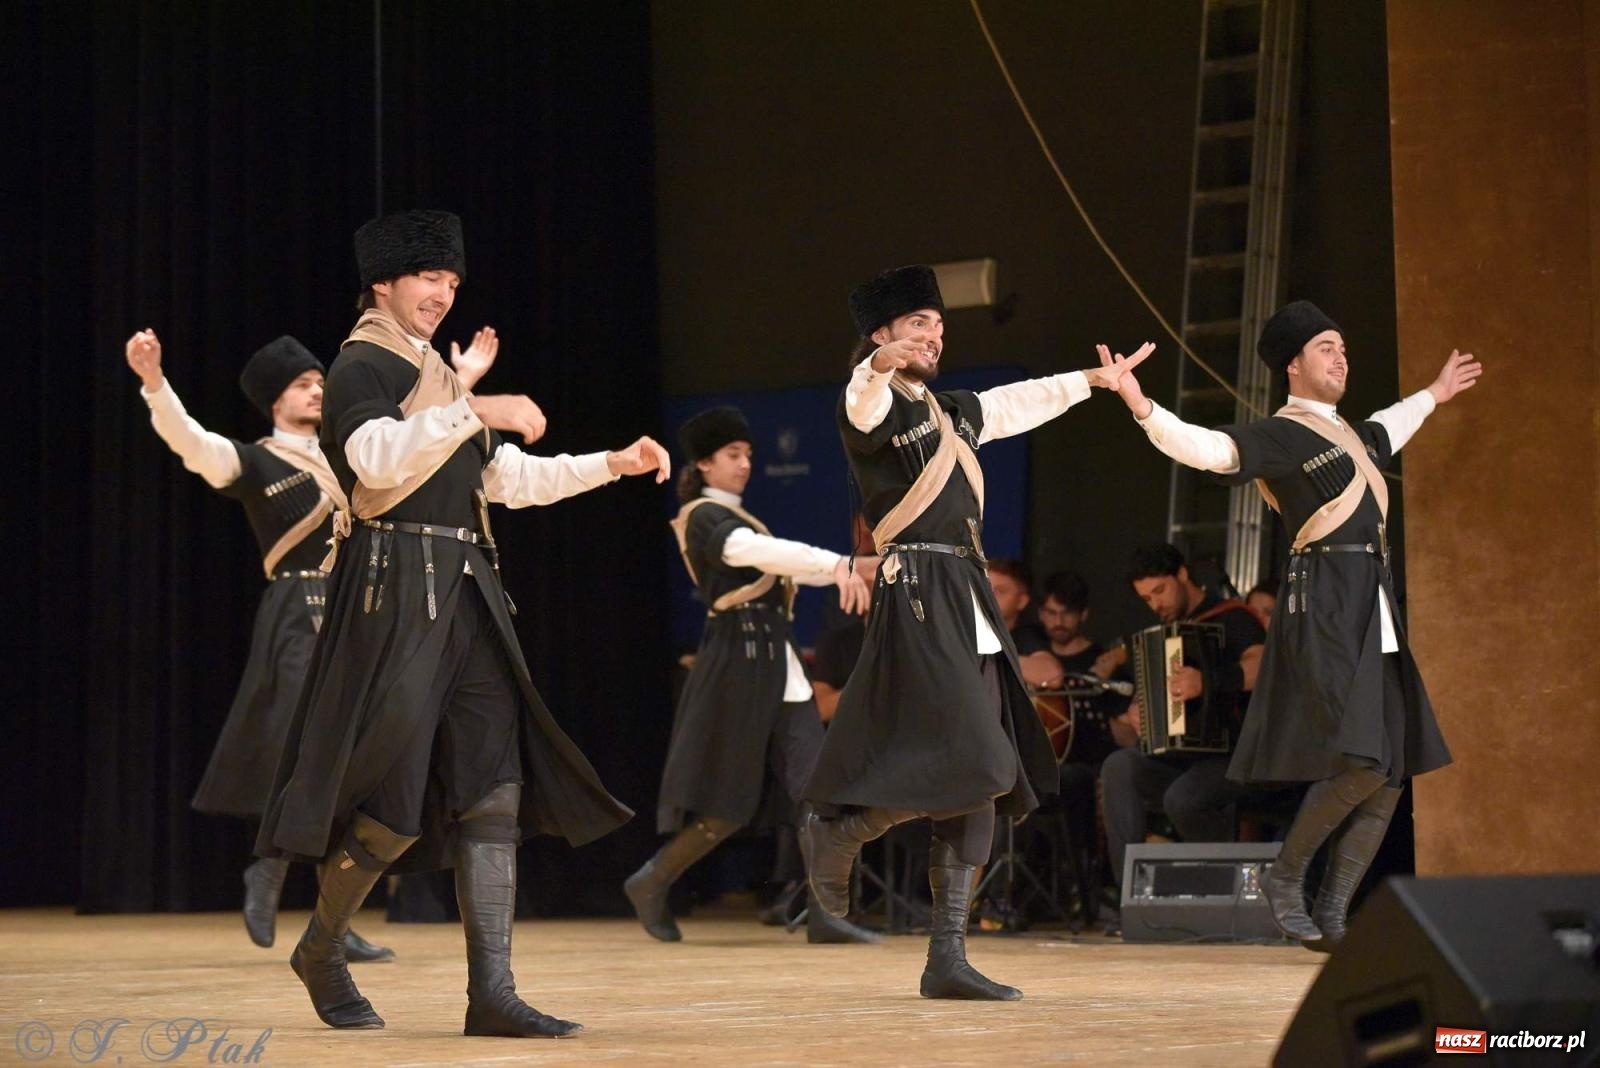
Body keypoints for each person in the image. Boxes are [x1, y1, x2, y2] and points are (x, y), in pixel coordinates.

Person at [257, 208, 668, 1038]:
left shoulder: (440, 381)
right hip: (394, 589)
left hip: (470, 588)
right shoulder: (360, 363)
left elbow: (506, 480)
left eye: (451, 280)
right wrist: (477, 405)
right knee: (391, 805)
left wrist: (611, 464)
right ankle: (322, 947)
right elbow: (374, 459)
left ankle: (493, 995)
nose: (443, 293)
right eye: (428, 277)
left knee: (493, 790)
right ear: (383, 283)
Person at [802, 263, 1151, 1000]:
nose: (933, 336)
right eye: (917, 325)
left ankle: (947, 958)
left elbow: (1019, 402)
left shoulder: (954, 410)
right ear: (881, 334)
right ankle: (841, 831)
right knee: (984, 764)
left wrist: (1093, 381)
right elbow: (862, 397)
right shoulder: (870, 407)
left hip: (968, 593)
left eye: (938, 325)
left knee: (987, 782)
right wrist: (876, 364)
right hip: (920, 591)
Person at [1102, 301, 1479, 948]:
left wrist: (1435, 394)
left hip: (1372, 603)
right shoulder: (1280, 435)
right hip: (1326, 603)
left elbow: (1390, 425)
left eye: (1343, 347)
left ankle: (1332, 910)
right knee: (1365, 761)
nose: (1341, 357)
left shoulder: (1352, 436)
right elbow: (1210, 450)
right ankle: (1285, 878)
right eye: (1327, 347)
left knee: (1391, 769)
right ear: (1294, 366)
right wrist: (1142, 407)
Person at [129, 327, 470, 963]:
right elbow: (193, 444)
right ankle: (268, 869)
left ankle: (331, 923)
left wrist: (460, 383)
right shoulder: (256, 461)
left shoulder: (349, 455)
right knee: (303, 741)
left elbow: (414, 452)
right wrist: (155, 386)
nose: (317, 390)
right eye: (302, 384)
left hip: (356, 610)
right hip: (297, 611)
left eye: (320, 382)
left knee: (352, 760)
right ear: (274, 400)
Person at [625, 407, 880, 945]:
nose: (744, 464)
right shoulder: (703, 516)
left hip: (777, 660)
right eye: (732, 455)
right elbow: (758, 553)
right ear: (704, 463)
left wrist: (846, 568)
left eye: (747, 455)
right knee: (727, 804)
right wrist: (838, 565)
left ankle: (825, 912)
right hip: (738, 662)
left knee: (814, 787)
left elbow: (785, 563)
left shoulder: (735, 515)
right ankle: (652, 880)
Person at [1099, 545, 1267, 890]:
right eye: (1146, 598)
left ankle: (1224, 889)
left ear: (1182, 574)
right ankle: (1129, 893)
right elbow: (1151, 697)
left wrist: (1208, 681)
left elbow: (1262, 666)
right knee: (1119, 766)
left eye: (1160, 590)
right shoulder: (1165, 632)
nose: (1155, 604)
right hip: (1183, 760)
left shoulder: (1234, 617)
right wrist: (1138, 713)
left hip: (1236, 755)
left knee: (1184, 797)